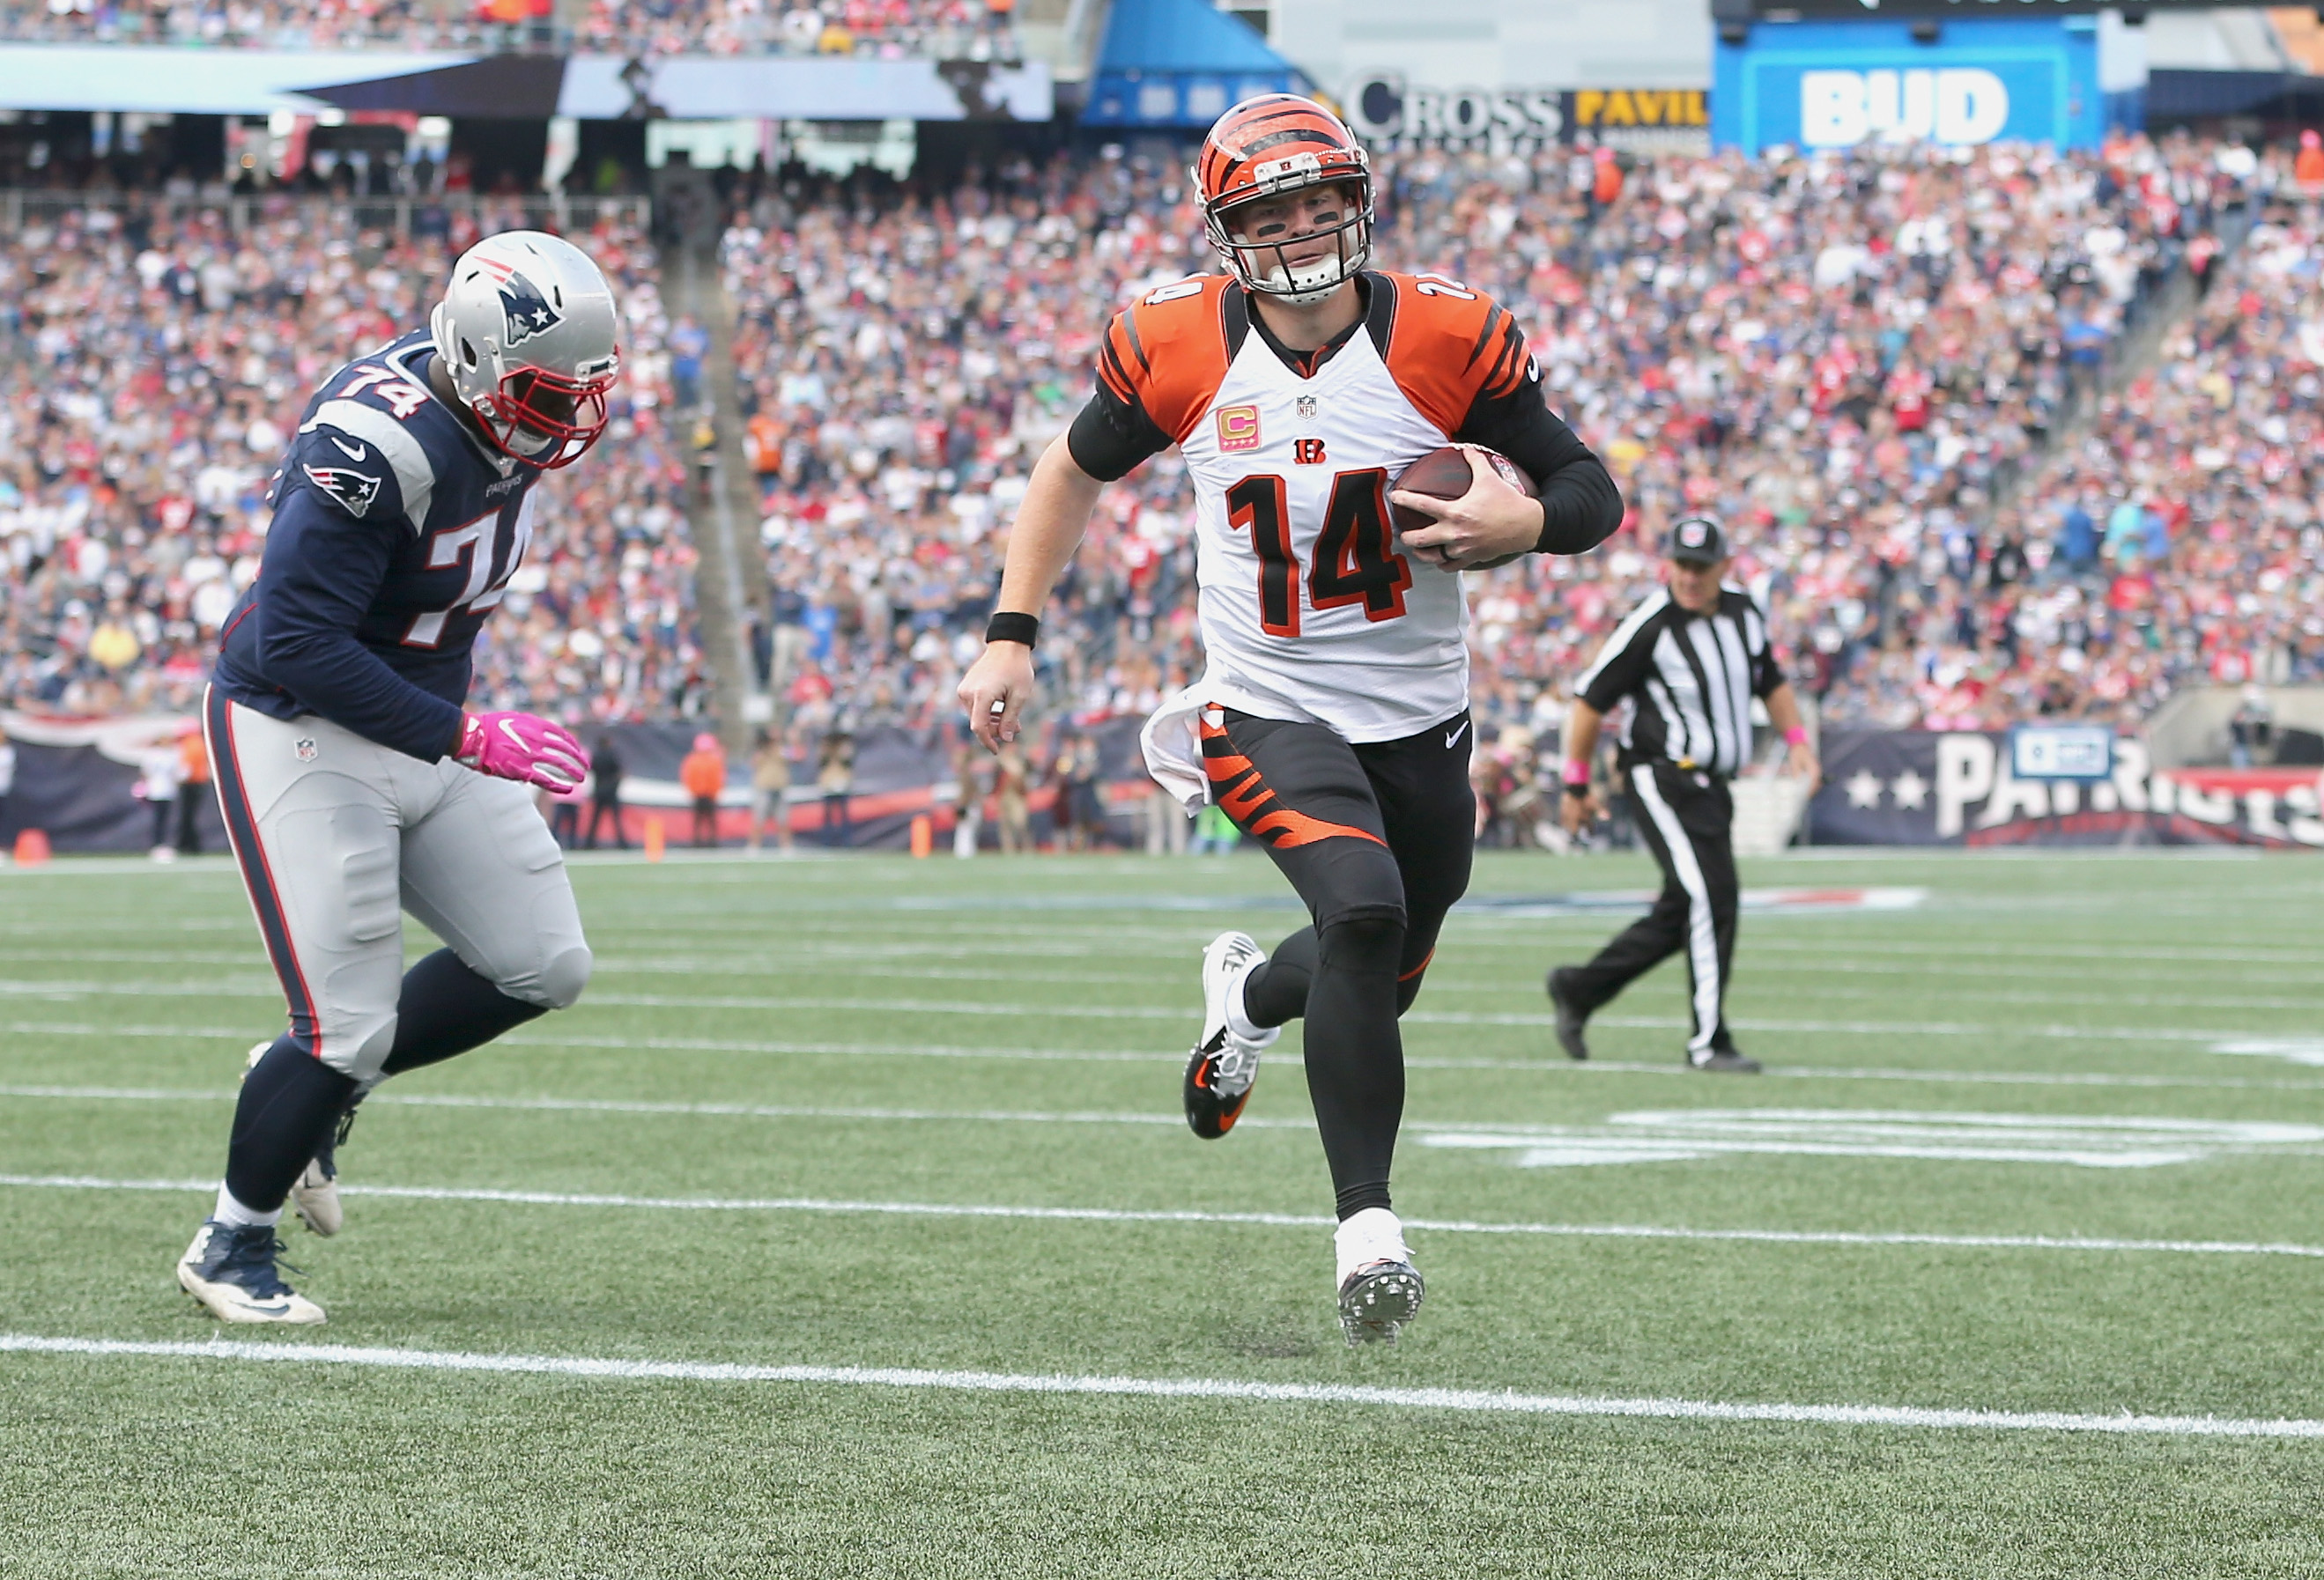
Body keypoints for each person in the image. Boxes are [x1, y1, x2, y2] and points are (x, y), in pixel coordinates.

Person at [957, 94, 1621, 1345]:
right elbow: (1069, 470)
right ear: (1227, 229)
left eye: (1323, 201)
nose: (1306, 228)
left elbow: (1592, 486)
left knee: (1386, 962)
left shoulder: (1446, 331)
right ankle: (1367, 1233)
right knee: (1361, 912)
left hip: (1420, 715)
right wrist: (1012, 628)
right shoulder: (1173, 340)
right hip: (1263, 700)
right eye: (1273, 209)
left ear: (1359, 203)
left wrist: (1526, 522)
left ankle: (1248, 1003)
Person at [176, 230, 621, 1325]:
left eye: (580, 392)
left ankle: (323, 1092)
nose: (566, 420)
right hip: (302, 725)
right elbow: (296, 645)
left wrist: (451, 730)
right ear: (471, 360)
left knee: (541, 962)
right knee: (344, 1023)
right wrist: (469, 735)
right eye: (542, 394)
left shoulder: (486, 403)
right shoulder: (375, 446)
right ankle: (230, 1244)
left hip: (420, 717)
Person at [1546, 517, 1819, 1074]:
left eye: (1701, 567)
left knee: (1685, 906)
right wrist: (1576, 782)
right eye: (1682, 565)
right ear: (1668, 564)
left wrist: (1796, 741)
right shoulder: (1650, 624)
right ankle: (1709, 1041)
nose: (1690, 577)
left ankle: (1579, 988)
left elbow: (1771, 679)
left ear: (1724, 566)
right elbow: (1589, 702)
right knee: (1710, 897)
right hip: (1661, 775)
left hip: (1713, 786)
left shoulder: (1744, 613)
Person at [748, 727, 793, 853]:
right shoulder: (761, 751)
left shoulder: (782, 749)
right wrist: (763, 749)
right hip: (764, 788)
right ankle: (754, 846)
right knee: (759, 819)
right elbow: (753, 763)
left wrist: (783, 744)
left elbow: (791, 757)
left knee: (783, 819)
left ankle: (786, 846)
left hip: (779, 787)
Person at [680, 731, 726, 848]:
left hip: (707, 793)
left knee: (707, 820)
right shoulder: (696, 760)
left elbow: (718, 777)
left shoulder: (710, 760)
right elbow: (688, 776)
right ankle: (699, 840)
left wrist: (717, 790)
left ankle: (708, 840)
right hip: (701, 793)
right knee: (701, 820)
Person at [585, 731, 627, 849]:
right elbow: (619, 772)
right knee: (616, 819)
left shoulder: (596, 755)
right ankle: (622, 843)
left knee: (595, 819)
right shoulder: (612, 755)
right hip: (611, 791)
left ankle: (589, 843)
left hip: (599, 790)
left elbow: (591, 769)